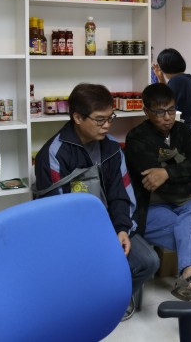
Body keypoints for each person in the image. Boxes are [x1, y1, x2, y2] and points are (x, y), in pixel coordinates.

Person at [33, 83, 159, 321]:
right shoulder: (54, 154)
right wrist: (97, 242)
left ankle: (112, 304)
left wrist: (122, 229)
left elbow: (121, 195)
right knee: (83, 271)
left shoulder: (112, 149)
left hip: (110, 227)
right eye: (100, 120)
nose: (108, 125)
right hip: (71, 236)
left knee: (148, 261)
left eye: (110, 118)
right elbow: (56, 214)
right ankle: (88, 306)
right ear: (77, 117)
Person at [124, 83, 191, 335]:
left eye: (171, 110)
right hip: (151, 209)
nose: (167, 117)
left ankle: (189, 278)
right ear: (146, 112)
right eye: (159, 112)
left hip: (185, 204)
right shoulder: (137, 138)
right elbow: (154, 183)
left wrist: (166, 172)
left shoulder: (182, 131)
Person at [153, 48, 191, 132]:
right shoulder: (185, 78)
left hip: (180, 128)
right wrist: (161, 78)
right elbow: (168, 93)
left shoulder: (177, 80)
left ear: (165, 66)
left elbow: (163, 101)